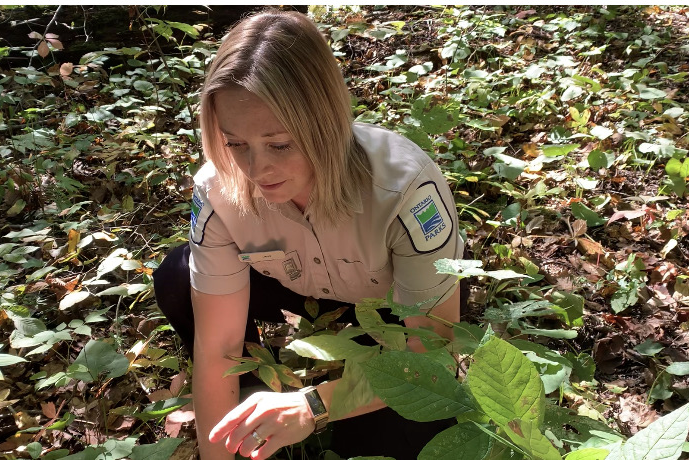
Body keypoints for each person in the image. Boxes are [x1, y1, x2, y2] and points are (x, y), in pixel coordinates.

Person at [153, 9, 466, 460]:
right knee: (178, 278)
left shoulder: (404, 188)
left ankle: (296, 409)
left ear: (327, 124)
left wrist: (315, 405)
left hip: (390, 306)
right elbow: (218, 346)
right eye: (235, 143)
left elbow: (434, 356)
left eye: (280, 144)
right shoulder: (218, 189)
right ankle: (256, 406)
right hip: (294, 287)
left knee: (386, 439)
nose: (256, 170)